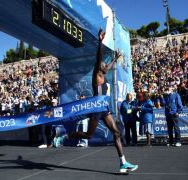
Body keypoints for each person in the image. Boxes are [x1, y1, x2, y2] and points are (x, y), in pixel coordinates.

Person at [58, 29, 138, 173]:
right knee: (88, 135)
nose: (104, 65)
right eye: (103, 64)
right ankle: (65, 137)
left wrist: (115, 58)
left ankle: (123, 163)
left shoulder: (104, 73)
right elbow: (98, 58)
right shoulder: (97, 75)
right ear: (99, 67)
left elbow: (109, 66)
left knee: (116, 132)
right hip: (96, 109)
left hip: (104, 109)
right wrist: (100, 42)